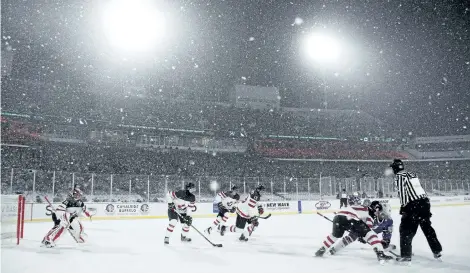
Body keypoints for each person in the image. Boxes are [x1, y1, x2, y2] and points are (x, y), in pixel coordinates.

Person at [390, 159, 442, 262]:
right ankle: (437, 251)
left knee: (406, 230)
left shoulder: (399, 176)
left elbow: (402, 193)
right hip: (425, 202)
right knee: (427, 228)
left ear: (395, 168)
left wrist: (404, 206)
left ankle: (406, 255)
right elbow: (419, 189)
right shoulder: (412, 174)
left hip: (413, 205)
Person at [315, 197, 393, 263]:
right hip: (351, 218)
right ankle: (380, 253)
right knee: (370, 234)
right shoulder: (369, 212)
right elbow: (368, 228)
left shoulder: (361, 207)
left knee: (335, 235)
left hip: (338, 217)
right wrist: (365, 237)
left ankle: (322, 249)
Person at [329, 200, 395, 255]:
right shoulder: (369, 216)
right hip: (364, 230)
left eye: (386, 215)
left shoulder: (389, 221)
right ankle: (335, 249)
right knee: (352, 237)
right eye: (382, 214)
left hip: (371, 233)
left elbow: (388, 232)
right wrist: (363, 236)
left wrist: (386, 241)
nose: (384, 216)